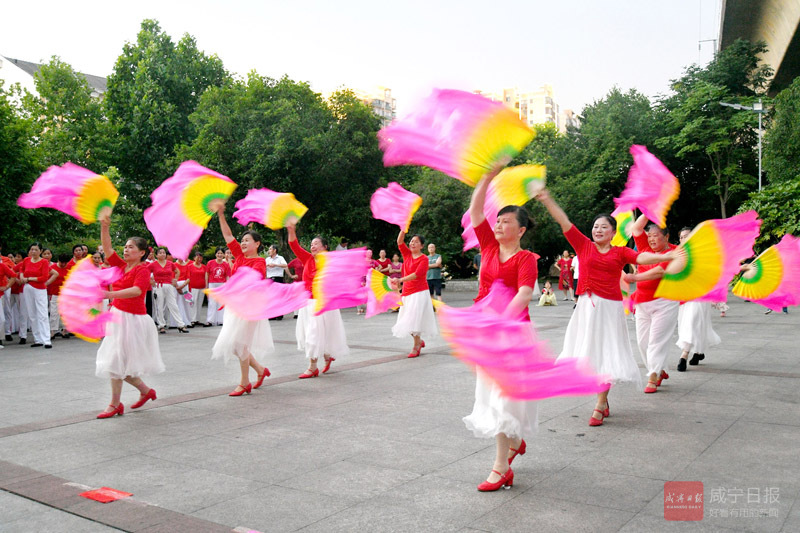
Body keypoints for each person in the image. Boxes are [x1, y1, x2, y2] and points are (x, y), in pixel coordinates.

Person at [537, 189, 677, 426]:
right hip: (585, 309)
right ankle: (602, 397)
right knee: (587, 354)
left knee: (608, 354)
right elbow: (564, 221)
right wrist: (546, 198)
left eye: (603, 227)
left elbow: (641, 259)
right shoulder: (584, 246)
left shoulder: (621, 252)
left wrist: (668, 257)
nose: (598, 230)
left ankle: (601, 402)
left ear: (613, 232)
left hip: (610, 310)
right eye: (595, 226)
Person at [462, 169, 538, 492]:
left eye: (507, 221)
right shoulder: (489, 247)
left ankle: (500, 467)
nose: (499, 223)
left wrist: (501, 323)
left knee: (503, 399)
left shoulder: (526, 259)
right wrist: (490, 174)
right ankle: (513, 444)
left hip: (512, 333)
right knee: (493, 396)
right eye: (499, 220)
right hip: (486, 330)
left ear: (520, 230)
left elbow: (524, 294)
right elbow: (476, 210)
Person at [95, 212, 163, 419]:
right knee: (116, 361)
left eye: (131, 246)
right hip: (118, 317)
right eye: (125, 246)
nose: (126, 249)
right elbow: (107, 249)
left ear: (142, 253)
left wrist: (110, 294)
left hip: (133, 320)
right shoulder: (121, 266)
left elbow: (136, 291)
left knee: (118, 361)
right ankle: (140, 393)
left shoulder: (142, 269)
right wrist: (104, 226)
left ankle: (117, 403)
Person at [211, 203, 273, 396]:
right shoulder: (238, 256)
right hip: (235, 307)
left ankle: (245, 382)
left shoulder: (260, 261)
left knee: (240, 345)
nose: (243, 243)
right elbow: (228, 236)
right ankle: (261, 370)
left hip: (250, 308)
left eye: (248, 240)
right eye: (242, 240)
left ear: (257, 244)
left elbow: (254, 283)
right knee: (235, 345)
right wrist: (221, 214)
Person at [288, 220, 349, 378]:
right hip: (308, 302)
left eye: (316, 244)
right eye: (311, 244)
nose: (312, 246)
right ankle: (327, 356)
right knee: (313, 332)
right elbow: (293, 245)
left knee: (316, 333)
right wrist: (291, 229)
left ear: (325, 247)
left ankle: (312, 366)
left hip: (324, 303)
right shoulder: (307, 258)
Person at [626, 215, 680, 393]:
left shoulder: (675, 251)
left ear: (666, 236)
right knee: (643, 342)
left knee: (656, 341)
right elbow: (636, 229)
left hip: (665, 302)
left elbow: (659, 271)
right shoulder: (644, 248)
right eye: (649, 236)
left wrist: (634, 277)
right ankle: (659, 370)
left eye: (656, 235)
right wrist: (648, 209)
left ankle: (652, 377)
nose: (651, 239)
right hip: (642, 302)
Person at [675, 227, 721, 371]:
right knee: (690, 325)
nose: (684, 239)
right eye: (682, 237)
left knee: (692, 322)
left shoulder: (702, 253)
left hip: (700, 296)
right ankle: (698, 352)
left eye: (687, 236)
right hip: (682, 297)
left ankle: (684, 355)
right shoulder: (677, 254)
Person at [391, 231, 437, 358]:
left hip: (419, 292)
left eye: (416, 242)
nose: (412, 243)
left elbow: (417, 274)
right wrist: (403, 229)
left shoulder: (424, 259)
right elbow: (399, 242)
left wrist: (400, 280)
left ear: (422, 246)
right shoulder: (407, 255)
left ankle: (416, 346)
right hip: (407, 292)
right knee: (405, 321)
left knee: (413, 319)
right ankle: (419, 341)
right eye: (411, 241)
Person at [14, 243, 56, 348]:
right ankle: (38, 339)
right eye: (32, 249)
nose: (33, 252)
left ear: (40, 251)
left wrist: (29, 278)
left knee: (42, 314)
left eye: (36, 250)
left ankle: (46, 339)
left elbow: (44, 277)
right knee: (32, 314)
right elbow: (21, 269)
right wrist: (22, 276)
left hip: (39, 288)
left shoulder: (44, 262)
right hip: (27, 288)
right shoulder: (27, 260)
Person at [148, 248, 188, 334]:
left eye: (163, 253)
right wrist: (151, 280)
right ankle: (161, 325)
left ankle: (181, 325)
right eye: (160, 253)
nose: (162, 254)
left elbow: (177, 271)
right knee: (159, 306)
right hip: (158, 285)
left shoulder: (170, 264)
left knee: (173, 305)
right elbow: (145, 272)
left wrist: (175, 280)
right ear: (157, 255)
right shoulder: (153, 264)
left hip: (169, 285)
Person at [46, 253, 71, 339]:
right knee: (54, 312)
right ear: (58, 261)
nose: (63, 264)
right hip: (55, 293)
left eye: (65, 263)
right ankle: (53, 331)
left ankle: (65, 330)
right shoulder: (53, 268)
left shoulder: (69, 268)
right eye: (62, 262)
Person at [205, 247, 230, 326]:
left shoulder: (226, 264)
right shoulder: (210, 263)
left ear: (223, 255)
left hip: (222, 284)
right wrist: (206, 286)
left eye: (221, 253)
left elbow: (227, 276)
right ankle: (210, 320)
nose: (219, 255)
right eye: (218, 253)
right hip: (212, 283)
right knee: (212, 303)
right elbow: (207, 274)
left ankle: (221, 320)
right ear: (215, 254)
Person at [266, 245, 288, 320]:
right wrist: (267, 265)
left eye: (270, 249)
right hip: (269, 279)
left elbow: (285, 265)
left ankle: (279, 314)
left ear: (274, 250)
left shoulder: (280, 258)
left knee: (278, 297)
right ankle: (272, 314)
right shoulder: (267, 259)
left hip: (278, 278)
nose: (269, 251)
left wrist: (275, 265)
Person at [187, 251, 208, 327]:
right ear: (194, 258)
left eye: (201, 257)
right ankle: (192, 319)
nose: (199, 259)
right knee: (193, 303)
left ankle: (197, 319)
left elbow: (206, 277)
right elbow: (188, 277)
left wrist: (206, 286)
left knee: (199, 303)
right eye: (197, 257)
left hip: (201, 287)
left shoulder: (204, 266)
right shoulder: (190, 266)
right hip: (193, 287)